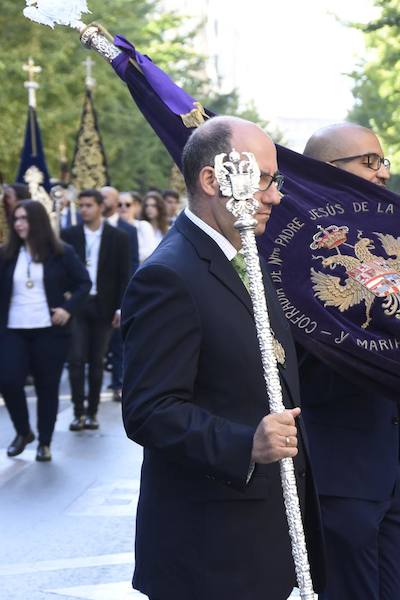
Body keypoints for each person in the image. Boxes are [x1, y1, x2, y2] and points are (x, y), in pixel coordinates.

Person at [121, 116, 326, 598]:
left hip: (261, 543)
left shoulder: (247, 257)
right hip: (208, 554)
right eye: (265, 180)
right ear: (212, 181)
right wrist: (246, 443)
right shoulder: (168, 276)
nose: (275, 195)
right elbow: (149, 410)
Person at [301, 122, 400, 600]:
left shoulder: (381, 244)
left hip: (393, 470)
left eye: (384, 161)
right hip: (340, 475)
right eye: (370, 162)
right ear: (327, 173)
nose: (383, 173)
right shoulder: (293, 254)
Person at [1, 201, 90, 461]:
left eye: (24, 219)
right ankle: (23, 431)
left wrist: (67, 308)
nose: (18, 224)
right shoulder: (6, 255)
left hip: (49, 331)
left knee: (47, 387)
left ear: (37, 222)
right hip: (12, 330)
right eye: (15, 219)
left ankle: (45, 441)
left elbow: (84, 283)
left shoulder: (61, 253)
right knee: (8, 381)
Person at [60, 190, 131, 430]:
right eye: (81, 206)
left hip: (104, 305)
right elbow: (61, 269)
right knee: (77, 359)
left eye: (89, 205)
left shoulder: (118, 237)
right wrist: (65, 295)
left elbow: (124, 276)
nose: (84, 210)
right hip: (78, 305)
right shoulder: (69, 235)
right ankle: (78, 413)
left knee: (97, 361)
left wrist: (122, 307)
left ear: (100, 207)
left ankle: (92, 413)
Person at [100, 186, 139, 402]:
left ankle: (118, 383)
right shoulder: (88, 228)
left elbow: (132, 263)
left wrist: (126, 298)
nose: (102, 201)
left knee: (118, 343)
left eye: (106, 198)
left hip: (118, 292)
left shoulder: (128, 230)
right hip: (96, 296)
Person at [138, 191, 168, 259]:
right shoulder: (139, 226)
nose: (149, 208)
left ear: (160, 207)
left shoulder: (167, 230)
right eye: (146, 206)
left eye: (153, 206)